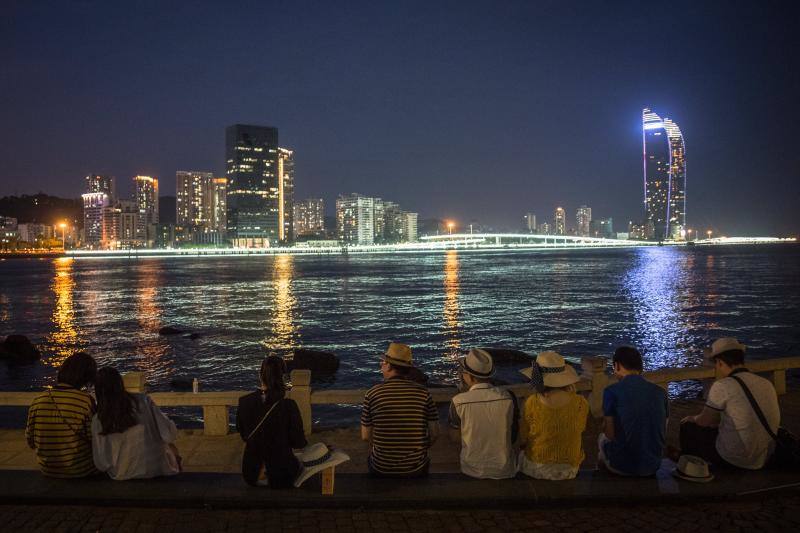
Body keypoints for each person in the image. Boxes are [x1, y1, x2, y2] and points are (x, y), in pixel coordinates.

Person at [678, 338, 779, 470]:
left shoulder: (723, 385)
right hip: (762, 458)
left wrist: (692, 418)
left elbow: (705, 421)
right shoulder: (766, 383)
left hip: (734, 459)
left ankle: (693, 467)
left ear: (719, 362)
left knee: (688, 427)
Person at [361, 342, 439, 477]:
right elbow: (435, 433)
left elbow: (365, 436)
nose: (381, 365)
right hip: (415, 467)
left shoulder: (372, 394)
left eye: (383, 362)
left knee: (371, 460)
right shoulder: (423, 393)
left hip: (381, 467)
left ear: (390, 366)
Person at [91, 367, 182, 480]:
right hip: (157, 469)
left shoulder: (98, 419)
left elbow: (102, 463)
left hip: (123, 474)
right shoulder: (143, 401)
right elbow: (169, 434)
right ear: (120, 383)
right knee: (172, 449)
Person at [236, 355, 307, 488]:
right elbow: (299, 442)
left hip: (251, 474)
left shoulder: (244, 402)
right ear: (283, 378)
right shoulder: (288, 406)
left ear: (260, 375)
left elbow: (243, 434)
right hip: (281, 475)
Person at [448, 348, 518, 479]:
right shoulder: (509, 397)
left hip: (471, 470)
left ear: (469, 376)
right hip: (505, 470)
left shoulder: (458, 402)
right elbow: (513, 435)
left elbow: (454, 437)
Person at [25, 352, 98, 478]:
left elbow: (30, 440)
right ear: (87, 377)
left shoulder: (38, 400)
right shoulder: (85, 401)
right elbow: (93, 439)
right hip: (80, 469)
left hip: (47, 469)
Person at [518, 351, 588, 480]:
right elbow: (581, 428)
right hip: (570, 469)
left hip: (538, 468)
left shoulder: (532, 402)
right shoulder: (580, 403)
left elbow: (524, 436)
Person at [598, 346, 668, 476]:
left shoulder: (611, 392)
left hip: (623, 466)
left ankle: (603, 480)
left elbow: (610, 434)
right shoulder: (660, 392)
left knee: (601, 439)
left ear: (617, 366)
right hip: (653, 464)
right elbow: (663, 429)